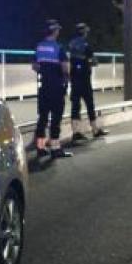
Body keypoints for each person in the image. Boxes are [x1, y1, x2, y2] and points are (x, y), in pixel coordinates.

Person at [32, 19, 72, 159]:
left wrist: (44, 71)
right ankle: (55, 149)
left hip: (43, 87)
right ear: (55, 31)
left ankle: (41, 148)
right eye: (58, 30)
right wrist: (66, 81)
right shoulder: (58, 48)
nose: (59, 32)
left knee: (42, 117)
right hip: (56, 87)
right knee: (56, 118)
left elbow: (35, 66)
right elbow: (65, 67)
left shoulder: (39, 46)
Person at [67, 22, 107, 142]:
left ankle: (76, 132)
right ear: (84, 32)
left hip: (74, 78)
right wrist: (90, 62)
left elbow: (70, 60)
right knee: (90, 104)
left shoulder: (71, 44)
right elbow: (94, 61)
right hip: (84, 78)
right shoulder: (86, 45)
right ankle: (95, 130)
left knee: (75, 105)